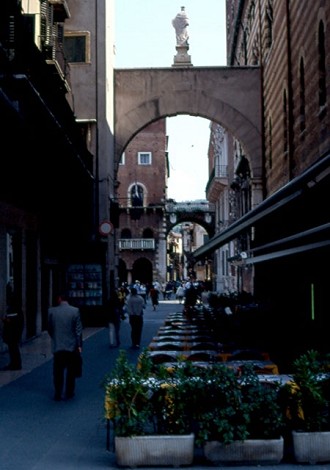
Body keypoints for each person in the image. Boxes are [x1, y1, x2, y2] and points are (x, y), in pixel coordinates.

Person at [47, 293, 82, 401]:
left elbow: (49, 328)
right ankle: (69, 391)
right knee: (70, 371)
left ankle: (58, 392)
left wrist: (55, 337)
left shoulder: (52, 311)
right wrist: (79, 345)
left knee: (58, 371)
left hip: (58, 346)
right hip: (71, 346)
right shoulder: (75, 311)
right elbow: (78, 330)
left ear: (59, 298)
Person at [1, 296, 24, 370]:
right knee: (14, 349)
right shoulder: (18, 310)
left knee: (13, 349)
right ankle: (15, 363)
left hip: (13, 334)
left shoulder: (14, 310)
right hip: (15, 333)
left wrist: (4, 320)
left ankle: (15, 364)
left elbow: (11, 320)